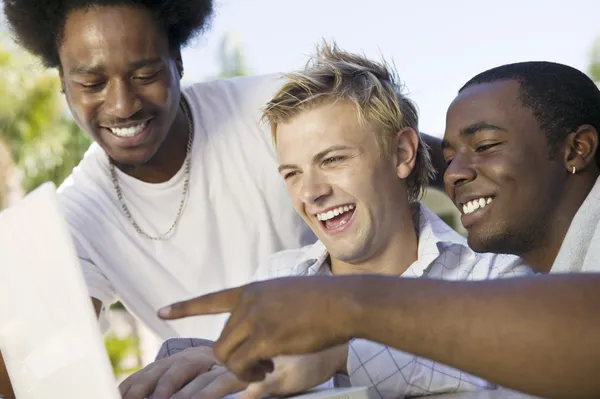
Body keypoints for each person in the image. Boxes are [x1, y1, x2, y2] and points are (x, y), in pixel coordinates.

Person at [0, 1, 447, 398]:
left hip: (381, 352)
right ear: (62, 81)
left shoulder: (266, 113)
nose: (121, 104)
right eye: (92, 83)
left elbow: (419, 154)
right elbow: (34, 364)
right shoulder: (73, 221)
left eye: (145, 74)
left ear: (176, 60)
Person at [158, 61, 600, 399]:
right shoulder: (275, 278)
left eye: (333, 160)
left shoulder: (493, 277)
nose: (310, 192)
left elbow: (533, 367)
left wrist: (346, 351)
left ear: (404, 153)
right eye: (291, 173)